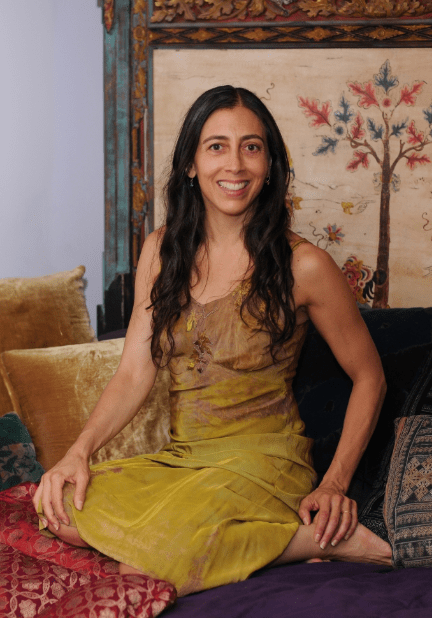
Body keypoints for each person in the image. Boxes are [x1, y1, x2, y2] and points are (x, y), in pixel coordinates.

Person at [33, 85, 392, 596]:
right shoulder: (162, 252)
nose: (235, 164)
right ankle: (283, 542)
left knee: (150, 566)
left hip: (265, 462)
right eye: (217, 146)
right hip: (184, 458)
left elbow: (370, 377)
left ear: (270, 164)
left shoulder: (305, 265)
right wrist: (78, 452)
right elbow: (134, 373)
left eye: (252, 147)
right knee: (62, 510)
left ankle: (316, 539)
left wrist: (334, 483)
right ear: (190, 163)